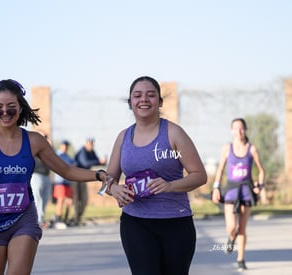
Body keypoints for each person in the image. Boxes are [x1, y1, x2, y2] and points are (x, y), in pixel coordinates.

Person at [0, 79, 109, 275]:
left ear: (21, 108)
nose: (5, 113)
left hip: (23, 220)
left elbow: (66, 170)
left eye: (11, 107)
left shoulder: (34, 141)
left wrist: (97, 175)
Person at [104, 76, 207, 275]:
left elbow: (199, 175)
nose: (144, 99)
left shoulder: (173, 133)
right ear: (130, 103)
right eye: (137, 95)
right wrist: (114, 188)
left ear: (159, 102)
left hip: (176, 224)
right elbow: (108, 179)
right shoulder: (123, 137)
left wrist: (170, 186)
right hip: (136, 223)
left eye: (151, 95)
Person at [212, 118, 265, 271]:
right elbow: (220, 169)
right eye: (235, 128)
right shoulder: (227, 148)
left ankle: (241, 259)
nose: (238, 131)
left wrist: (259, 186)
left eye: (241, 128)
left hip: (247, 191)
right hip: (231, 190)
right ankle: (231, 237)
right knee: (232, 227)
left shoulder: (252, 149)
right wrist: (216, 187)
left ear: (245, 130)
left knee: (242, 228)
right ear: (231, 131)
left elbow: (261, 171)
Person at [73, 137, 106, 225]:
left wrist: (102, 162)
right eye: (90, 144)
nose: (91, 146)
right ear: (86, 143)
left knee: (84, 199)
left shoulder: (92, 152)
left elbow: (96, 161)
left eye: (92, 144)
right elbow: (85, 163)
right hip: (76, 177)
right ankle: (76, 219)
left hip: (83, 178)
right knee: (77, 199)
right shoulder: (82, 151)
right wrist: (97, 161)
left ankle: (78, 217)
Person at [30, 131, 52, 228]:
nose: (44, 139)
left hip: (46, 175)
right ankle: (37, 220)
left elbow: (54, 157)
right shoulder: (33, 147)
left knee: (45, 199)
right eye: (42, 137)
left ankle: (41, 218)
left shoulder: (48, 149)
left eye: (45, 137)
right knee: (37, 198)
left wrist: (49, 143)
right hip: (36, 175)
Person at [52, 140, 76, 228]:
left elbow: (73, 164)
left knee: (70, 200)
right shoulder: (58, 155)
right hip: (60, 181)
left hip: (68, 182)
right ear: (61, 146)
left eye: (66, 146)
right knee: (61, 200)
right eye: (64, 145)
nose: (65, 147)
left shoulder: (68, 156)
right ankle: (58, 218)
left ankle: (66, 219)